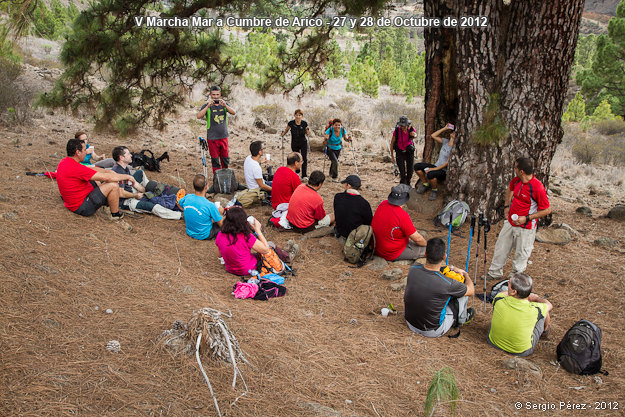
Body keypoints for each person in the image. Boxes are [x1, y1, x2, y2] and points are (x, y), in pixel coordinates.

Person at [486, 157, 551, 280]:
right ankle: (494, 272)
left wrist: (527, 218)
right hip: (511, 221)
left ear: (521, 171)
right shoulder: (517, 181)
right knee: (501, 247)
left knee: (521, 253)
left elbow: (547, 210)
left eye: (515, 167)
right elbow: (509, 189)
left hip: (525, 226)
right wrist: (506, 206)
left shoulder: (537, 187)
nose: (514, 169)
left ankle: (515, 279)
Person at [404, 238, 475, 338]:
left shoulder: (413, 268)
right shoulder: (447, 283)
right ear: (444, 256)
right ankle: (462, 319)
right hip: (432, 330)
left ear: (425, 254)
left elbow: (436, 268)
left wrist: (452, 268)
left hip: (410, 323)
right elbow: (471, 291)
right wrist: (466, 275)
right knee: (463, 290)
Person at [56, 138, 136, 219]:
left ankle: (108, 204)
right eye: (84, 150)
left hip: (73, 201)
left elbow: (90, 169)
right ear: (78, 152)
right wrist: (127, 176)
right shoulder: (76, 168)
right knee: (113, 185)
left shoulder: (65, 161)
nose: (86, 152)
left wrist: (108, 172)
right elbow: (107, 178)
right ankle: (115, 215)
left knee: (97, 180)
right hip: (83, 207)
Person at [488, 272, 552, 356]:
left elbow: (504, 293)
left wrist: (513, 294)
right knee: (545, 312)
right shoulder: (536, 309)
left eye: (509, 284)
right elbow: (549, 305)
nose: (508, 284)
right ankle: (545, 332)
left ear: (514, 291)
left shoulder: (499, 299)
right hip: (521, 351)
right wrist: (536, 298)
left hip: (494, 342)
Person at [111, 146, 182, 220]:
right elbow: (121, 193)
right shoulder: (118, 172)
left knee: (140, 172)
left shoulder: (124, 167)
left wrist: (143, 190)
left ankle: (150, 190)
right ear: (121, 158)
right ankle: (179, 215)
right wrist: (136, 195)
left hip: (130, 191)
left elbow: (129, 183)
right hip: (126, 201)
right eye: (128, 154)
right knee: (153, 206)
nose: (131, 155)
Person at [371, 184, 427, 261]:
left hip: (376, 247)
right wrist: (427, 244)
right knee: (433, 251)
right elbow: (418, 239)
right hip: (391, 252)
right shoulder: (402, 215)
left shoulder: (383, 204)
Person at [214, 206, 270, 276]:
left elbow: (219, 255)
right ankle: (284, 259)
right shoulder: (246, 236)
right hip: (248, 269)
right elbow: (266, 250)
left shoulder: (220, 234)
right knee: (270, 245)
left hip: (230, 269)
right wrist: (258, 230)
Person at [196, 85, 236, 173]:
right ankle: (217, 178)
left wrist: (225, 105)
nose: (215, 97)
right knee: (215, 160)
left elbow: (234, 112)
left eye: (217, 94)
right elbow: (198, 116)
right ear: (210, 95)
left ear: (220, 94)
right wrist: (207, 106)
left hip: (224, 136)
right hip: (213, 138)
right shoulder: (207, 106)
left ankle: (225, 176)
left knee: (225, 159)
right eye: (213, 95)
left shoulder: (224, 105)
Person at [414, 123, 455, 200]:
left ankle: (434, 190)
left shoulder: (454, 148)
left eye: (455, 133)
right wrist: (445, 128)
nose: (453, 133)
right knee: (417, 166)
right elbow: (433, 135)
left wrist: (433, 169)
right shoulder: (446, 142)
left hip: (443, 170)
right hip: (436, 166)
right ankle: (425, 184)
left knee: (430, 174)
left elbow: (447, 163)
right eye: (453, 131)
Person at [178, 174, 224, 240]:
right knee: (224, 222)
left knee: (208, 217)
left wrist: (186, 211)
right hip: (204, 234)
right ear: (205, 188)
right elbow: (221, 225)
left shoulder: (187, 198)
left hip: (190, 231)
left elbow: (179, 203)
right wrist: (221, 213)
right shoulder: (210, 205)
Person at [333, 175, 373, 239]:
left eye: (345, 184)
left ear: (348, 185)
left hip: (340, 232)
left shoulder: (338, 197)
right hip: (355, 235)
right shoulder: (364, 203)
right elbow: (369, 222)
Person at [281, 109, 310, 179]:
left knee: (304, 158)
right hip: (294, 143)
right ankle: (297, 173)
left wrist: (308, 131)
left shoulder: (304, 123)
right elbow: (286, 130)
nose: (298, 117)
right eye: (296, 115)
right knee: (296, 158)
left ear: (302, 116)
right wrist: (283, 134)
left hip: (303, 143)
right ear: (294, 115)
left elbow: (307, 132)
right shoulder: (291, 123)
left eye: (299, 115)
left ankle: (304, 175)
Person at [390, 116, 417, 185]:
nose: (403, 127)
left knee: (410, 170)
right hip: (400, 151)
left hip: (409, 151)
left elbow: (415, 135)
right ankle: (402, 183)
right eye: (401, 126)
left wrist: (413, 134)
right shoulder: (397, 130)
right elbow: (392, 143)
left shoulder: (411, 129)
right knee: (402, 171)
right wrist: (392, 156)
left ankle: (408, 182)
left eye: (404, 126)